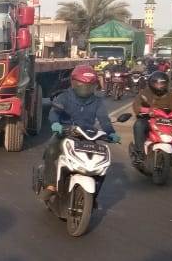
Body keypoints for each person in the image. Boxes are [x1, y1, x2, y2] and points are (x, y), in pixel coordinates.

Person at [38, 65, 120, 200]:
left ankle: (93, 195)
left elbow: (104, 120)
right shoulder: (64, 97)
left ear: (94, 86)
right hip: (65, 133)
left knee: (100, 161)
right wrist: (56, 124)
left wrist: (111, 133)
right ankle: (51, 185)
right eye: (81, 84)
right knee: (51, 151)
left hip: (87, 136)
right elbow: (54, 112)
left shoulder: (97, 102)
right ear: (74, 83)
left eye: (88, 85)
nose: (85, 88)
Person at [131, 71, 172, 165]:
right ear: (151, 83)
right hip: (147, 119)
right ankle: (139, 152)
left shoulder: (170, 95)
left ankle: (171, 153)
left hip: (165, 120)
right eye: (157, 83)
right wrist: (145, 110)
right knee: (138, 125)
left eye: (162, 83)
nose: (159, 86)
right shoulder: (144, 93)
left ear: (166, 84)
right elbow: (136, 106)